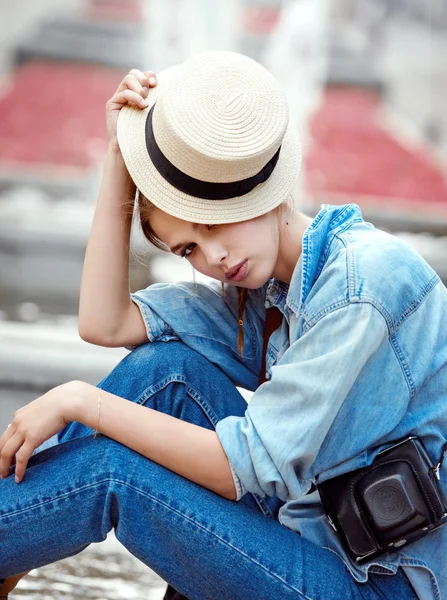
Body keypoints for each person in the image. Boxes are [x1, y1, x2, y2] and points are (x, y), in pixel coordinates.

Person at [0, 51, 445, 600]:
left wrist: (79, 401)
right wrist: (120, 156)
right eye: (190, 246)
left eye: (214, 221)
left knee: (114, 472)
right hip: (318, 538)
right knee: (166, 372)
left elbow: (247, 465)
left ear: (254, 187)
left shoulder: (361, 284)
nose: (213, 257)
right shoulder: (272, 293)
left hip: (382, 585)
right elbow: (105, 322)